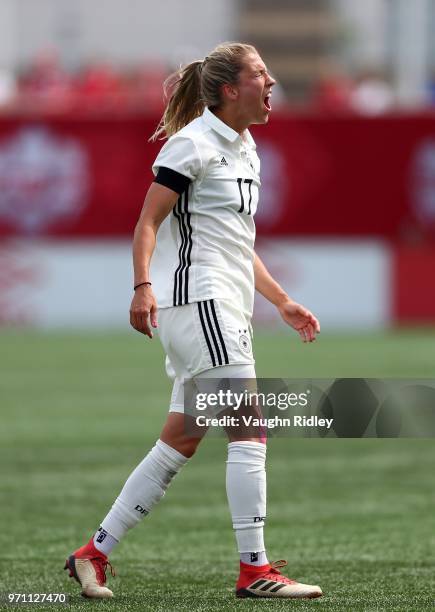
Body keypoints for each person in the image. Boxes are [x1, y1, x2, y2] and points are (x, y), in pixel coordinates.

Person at [64, 42, 322, 600]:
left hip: (222, 306)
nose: (272, 81)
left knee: (180, 439)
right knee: (250, 427)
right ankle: (255, 570)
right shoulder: (193, 144)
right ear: (231, 89)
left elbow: (237, 243)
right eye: (260, 73)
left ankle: (93, 553)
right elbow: (147, 222)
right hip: (201, 304)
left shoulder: (246, 147)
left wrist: (280, 300)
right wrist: (141, 286)